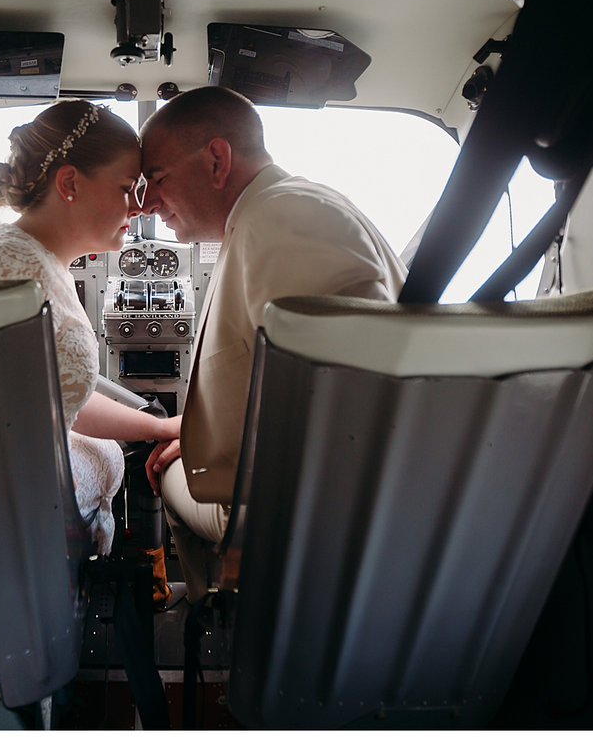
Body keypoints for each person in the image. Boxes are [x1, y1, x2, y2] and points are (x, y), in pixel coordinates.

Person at [138, 86, 408, 600]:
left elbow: (344, 402)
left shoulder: (285, 219)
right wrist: (197, 433)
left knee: (168, 473)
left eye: (156, 178)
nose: (147, 202)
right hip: (305, 491)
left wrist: (200, 453)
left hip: (309, 512)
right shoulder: (268, 214)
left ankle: (220, 615)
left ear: (217, 159)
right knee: (179, 451)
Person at [0, 100, 181, 556]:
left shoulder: (38, 262)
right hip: (8, 522)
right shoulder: (3, 273)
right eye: (127, 187)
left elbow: (56, 401)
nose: (138, 206)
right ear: (70, 182)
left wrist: (164, 428)